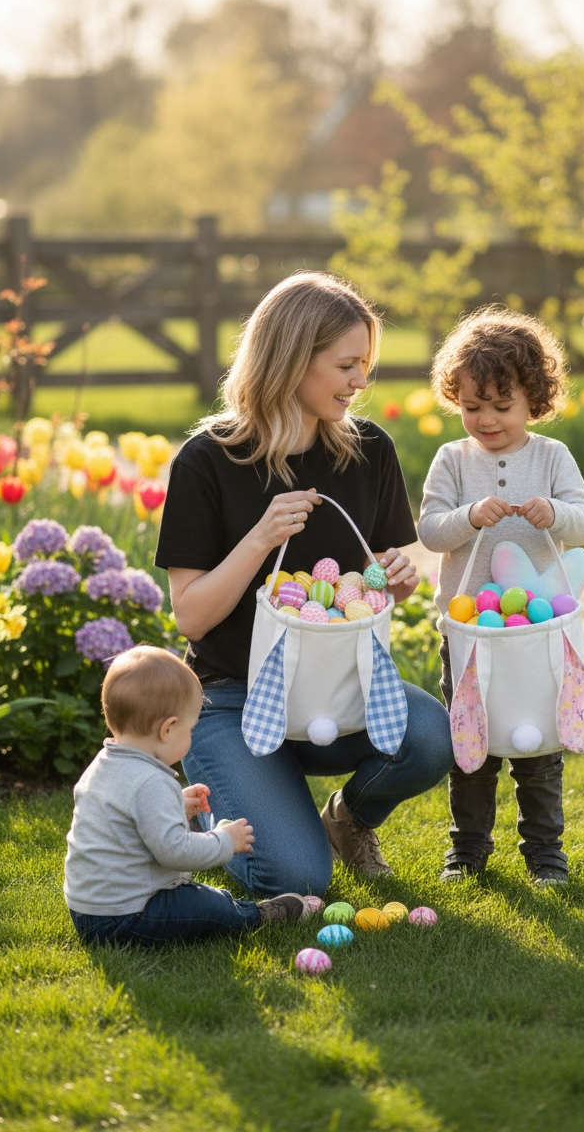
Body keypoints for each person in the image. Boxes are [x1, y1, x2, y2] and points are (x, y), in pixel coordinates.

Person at [154, 271, 453, 899]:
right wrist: (260, 538)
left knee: (430, 737)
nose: (360, 382)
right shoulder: (206, 461)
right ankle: (241, 792)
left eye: (365, 365)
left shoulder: (370, 450)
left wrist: (396, 581)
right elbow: (193, 619)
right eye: (347, 364)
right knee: (296, 877)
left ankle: (347, 821)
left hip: (338, 692)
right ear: (292, 358)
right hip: (233, 701)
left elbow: (376, 577)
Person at [416, 305, 584, 887]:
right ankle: (466, 851)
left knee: (539, 747)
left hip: (537, 629)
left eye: (502, 406)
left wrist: (556, 512)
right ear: (456, 400)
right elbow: (430, 529)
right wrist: (469, 516)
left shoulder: (550, 457)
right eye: (472, 407)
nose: (486, 420)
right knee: (473, 744)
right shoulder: (452, 460)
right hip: (471, 628)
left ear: (534, 400)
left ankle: (546, 854)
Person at [64, 645, 312, 945]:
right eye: (190, 728)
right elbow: (174, 851)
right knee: (207, 905)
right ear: (168, 729)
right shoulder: (150, 782)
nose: (191, 736)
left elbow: (126, 819)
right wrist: (224, 842)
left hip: (88, 912)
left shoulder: (104, 766)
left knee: (198, 900)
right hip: (130, 915)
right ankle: (256, 916)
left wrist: (176, 805)